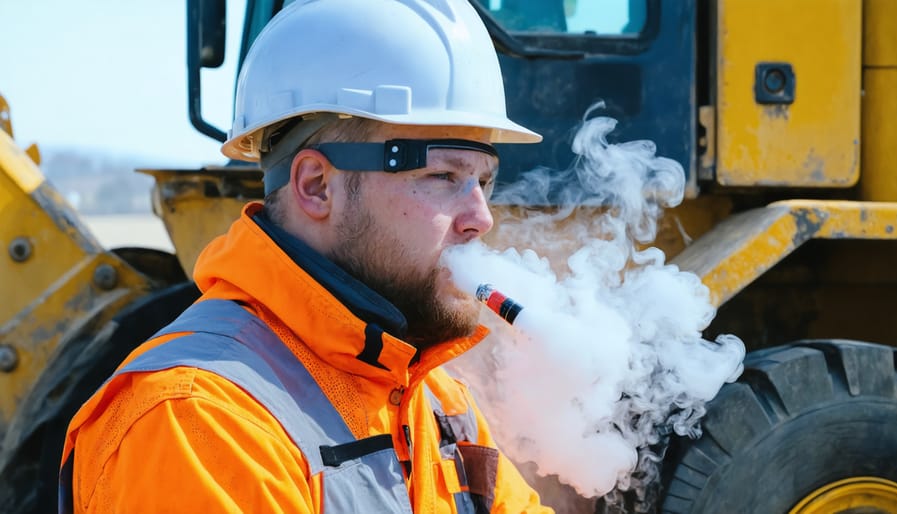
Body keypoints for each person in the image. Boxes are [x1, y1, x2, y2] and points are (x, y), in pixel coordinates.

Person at [59, 0, 550, 512]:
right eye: (443, 176)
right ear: (317, 186)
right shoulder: (197, 420)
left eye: (484, 182)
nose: (480, 216)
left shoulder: (435, 401)